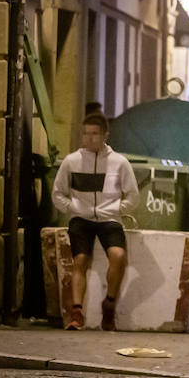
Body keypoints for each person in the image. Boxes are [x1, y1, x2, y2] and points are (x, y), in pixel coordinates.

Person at [51, 113, 140, 331]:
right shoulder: (72, 161)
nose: (89, 138)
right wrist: (73, 207)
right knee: (80, 260)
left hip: (109, 219)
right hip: (80, 219)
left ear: (105, 135)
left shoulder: (119, 163)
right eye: (85, 133)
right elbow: (57, 193)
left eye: (94, 134)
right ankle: (77, 313)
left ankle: (109, 305)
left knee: (118, 256)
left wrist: (116, 208)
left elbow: (133, 196)